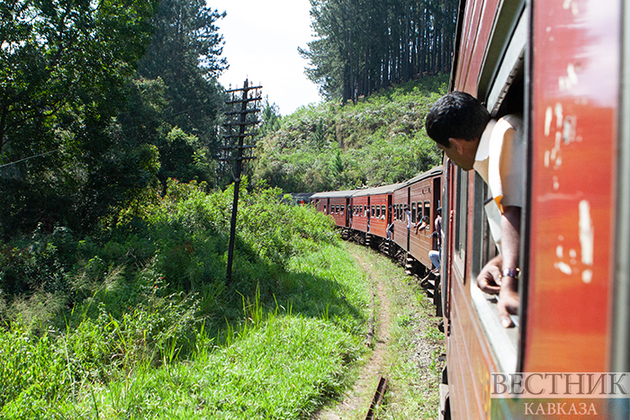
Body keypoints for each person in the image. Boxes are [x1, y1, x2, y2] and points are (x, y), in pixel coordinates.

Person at [425, 91, 524, 328]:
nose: (449, 158)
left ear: (456, 145)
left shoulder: (505, 133)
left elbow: (515, 210)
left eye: (444, 150)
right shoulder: (496, 143)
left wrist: (509, 281)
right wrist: (499, 262)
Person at [428, 207, 442, 273]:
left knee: (431, 254)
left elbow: (438, 232)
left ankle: (439, 268)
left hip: (441, 245)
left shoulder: (438, 220)